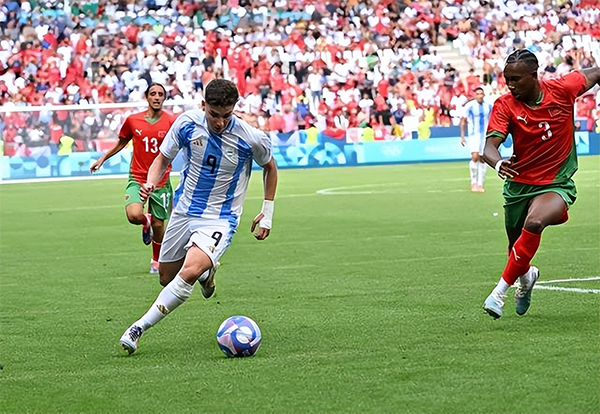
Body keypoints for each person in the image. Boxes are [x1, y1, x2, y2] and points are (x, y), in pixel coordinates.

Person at [119, 79, 278, 354]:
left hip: (221, 218)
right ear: (203, 105)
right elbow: (162, 159)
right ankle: (208, 272)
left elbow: (270, 167)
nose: (220, 122)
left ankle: (138, 328)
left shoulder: (250, 137)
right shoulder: (186, 124)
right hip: (184, 211)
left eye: (226, 115)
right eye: (214, 115)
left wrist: (267, 212)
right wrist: (150, 183)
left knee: (189, 271)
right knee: (166, 278)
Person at [481, 49, 600, 319]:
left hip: (556, 182)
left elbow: (596, 73)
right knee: (515, 250)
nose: (510, 85)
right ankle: (527, 278)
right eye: (507, 79)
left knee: (534, 222)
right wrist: (498, 163)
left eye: (516, 79)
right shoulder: (505, 105)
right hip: (519, 186)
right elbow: (489, 147)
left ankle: (498, 294)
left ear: (534, 76)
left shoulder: (563, 88)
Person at [90, 83, 176, 274]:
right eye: (153, 93)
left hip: (161, 181)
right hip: (137, 177)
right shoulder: (133, 121)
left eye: (160, 94)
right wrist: (103, 158)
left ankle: (156, 260)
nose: (157, 97)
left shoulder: (171, 121)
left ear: (164, 98)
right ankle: (145, 221)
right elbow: (122, 142)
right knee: (134, 215)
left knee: (159, 225)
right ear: (147, 97)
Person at [460, 87, 493, 192]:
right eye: (477, 94)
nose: (479, 96)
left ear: (484, 95)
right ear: (474, 96)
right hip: (474, 135)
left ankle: (480, 183)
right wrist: (462, 137)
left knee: (483, 159)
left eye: (481, 94)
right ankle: (473, 182)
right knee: (475, 157)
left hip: (485, 136)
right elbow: (463, 121)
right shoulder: (469, 106)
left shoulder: (489, 106)